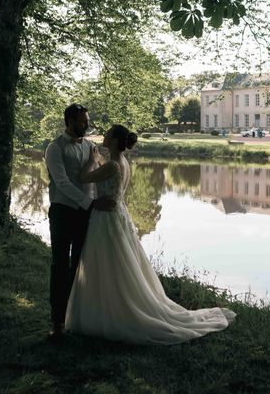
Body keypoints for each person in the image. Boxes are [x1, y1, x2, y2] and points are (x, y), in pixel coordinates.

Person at [65, 124, 236, 344]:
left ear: (115, 141)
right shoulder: (122, 163)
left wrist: (90, 161)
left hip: (105, 217)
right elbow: (108, 176)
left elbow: (82, 178)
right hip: (118, 215)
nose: (104, 135)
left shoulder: (111, 166)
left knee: (108, 262)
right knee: (118, 261)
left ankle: (111, 311)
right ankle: (111, 305)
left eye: (108, 134)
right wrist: (99, 160)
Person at [44, 103, 115, 341]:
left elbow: (95, 178)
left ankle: (77, 317)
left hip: (87, 214)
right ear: (70, 121)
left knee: (80, 266)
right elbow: (62, 183)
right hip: (63, 212)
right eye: (82, 121)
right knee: (60, 265)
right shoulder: (55, 148)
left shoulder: (91, 147)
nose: (87, 124)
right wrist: (90, 203)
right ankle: (57, 320)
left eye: (87, 120)